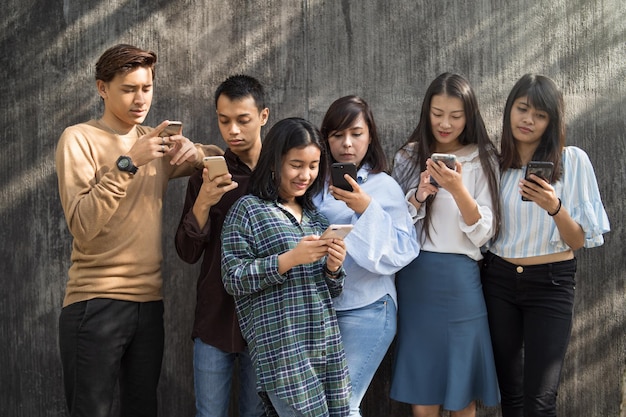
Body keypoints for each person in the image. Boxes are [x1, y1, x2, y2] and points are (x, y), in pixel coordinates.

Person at [55, 44, 221, 417]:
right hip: (94, 301)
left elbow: (219, 158)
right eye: (128, 89)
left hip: (149, 305)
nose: (139, 99)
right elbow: (82, 226)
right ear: (102, 88)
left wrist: (192, 153)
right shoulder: (78, 138)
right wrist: (129, 163)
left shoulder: (155, 141)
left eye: (146, 88)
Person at [481, 74, 610, 417]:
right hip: (499, 280)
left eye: (539, 115)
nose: (528, 120)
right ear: (509, 111)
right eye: (522, 109)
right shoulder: (495, 165)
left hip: (550, 284)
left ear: (551, 121)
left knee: (540, 402)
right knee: (511, 395)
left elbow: (578, 240)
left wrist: (554, 207)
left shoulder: (573, 161)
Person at [221, 117, 351, 417]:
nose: (305, 175)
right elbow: (233, 278)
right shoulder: (248, 210)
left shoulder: (316, 218)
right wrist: (289, 259)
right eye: (296, 164)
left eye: (313, 165)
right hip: (283, 351)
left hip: (325, 346)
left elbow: (331, 290)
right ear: (274, 161)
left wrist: (333, 267)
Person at [390, 72, 501, 417]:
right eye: (437, 114)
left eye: (455, 115)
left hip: (461, 280)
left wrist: (458, 189)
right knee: (424, 384)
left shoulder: (483, 158)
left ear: (469, 116)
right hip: (415, 277)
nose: (445, 123)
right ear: (426, 112)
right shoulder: (408, 156)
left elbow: (487, 234)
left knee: (461, 387)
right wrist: (419, 195)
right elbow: (392, 226)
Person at [313, 95, 420, 417]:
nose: (347, 143)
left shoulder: (384, 186)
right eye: (337, 135)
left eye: (356, 134)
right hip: (320, 309)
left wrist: (364, 208)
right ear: (325, 139)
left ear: (370, 135)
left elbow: (403, 250)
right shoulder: (314, 184)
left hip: (368, 308)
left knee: (344, 406)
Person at [175, 75, 269, 417]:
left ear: (263, 116)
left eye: (243, 120)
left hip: (265, 322)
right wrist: (203, 201)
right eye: (224, 120)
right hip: (215, 317)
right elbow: (186, 252)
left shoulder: (282, 175)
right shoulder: (206, 175)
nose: (233, 131)